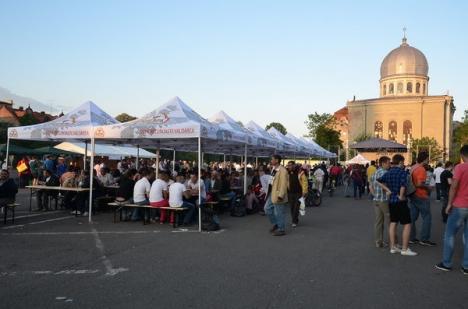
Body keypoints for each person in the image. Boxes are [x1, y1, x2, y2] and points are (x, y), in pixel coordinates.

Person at [436, 145, 468, 274]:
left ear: (462, 155)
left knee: (449, 234)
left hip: (459, 205)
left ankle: (447, 263)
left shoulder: (460, 167)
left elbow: (453, 187)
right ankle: (466, 266)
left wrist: (449, 204)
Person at [377, 154, 417, 256]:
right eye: (403, 162)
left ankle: (393, 247)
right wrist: (402, 195)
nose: (403, 164)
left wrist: (388, 190)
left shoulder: (388, 172)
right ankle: (404, 249)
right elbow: (403, 185)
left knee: (393, 223)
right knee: (407, 224)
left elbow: (379, 181)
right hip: (400, 201)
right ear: (400, 162)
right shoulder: (402, 172)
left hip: (391, 201)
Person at [409, 152, 436, 246]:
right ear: (424, 159)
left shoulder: (413, 167)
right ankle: (424, 239)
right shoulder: (421, 169)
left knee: (412, 217)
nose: (428, 160)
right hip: (421, 195)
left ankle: (411, 237)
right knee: (427, 217)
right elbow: (419, 184)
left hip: (412, 194)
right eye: (427, 158)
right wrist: (427, 187)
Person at [264, 154, 289, 236]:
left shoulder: (283, 170)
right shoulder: (274, 169)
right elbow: (272, 181)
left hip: (278, 194)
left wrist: (281, 195)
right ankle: (276, 223)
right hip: (272, 193)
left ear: (277, 160)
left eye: (272, 159)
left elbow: (284, 184)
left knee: (279, 212)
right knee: (267, 209)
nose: (271, 161)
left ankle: (281, 229)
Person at [369, 156, 391, 248]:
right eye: (388, 163)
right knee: (390, 221)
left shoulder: (375, 172)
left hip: (376, 200)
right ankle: (393, 242)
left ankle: (378, 241)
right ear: (383, 163)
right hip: (384, 200)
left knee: (378, 222)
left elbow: (370, 186)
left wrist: (375, 195)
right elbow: (385, 186)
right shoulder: (385, 173)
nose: (389, 164)